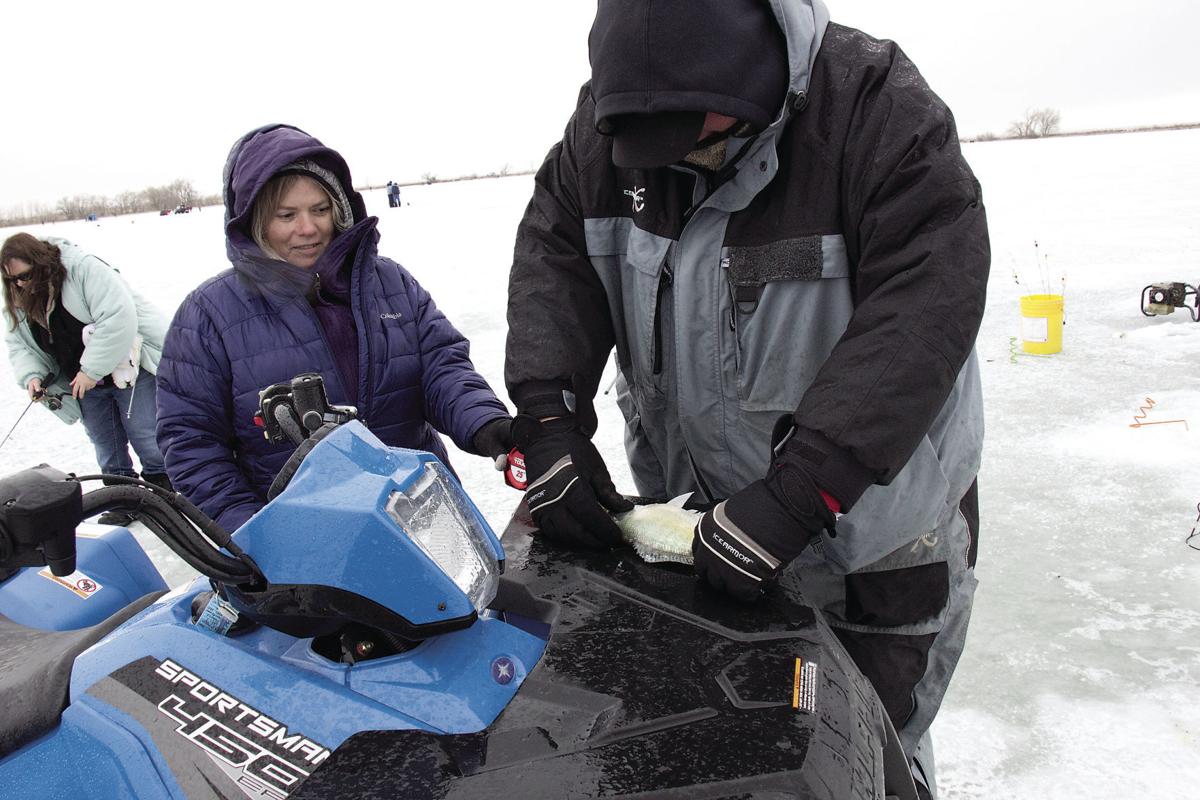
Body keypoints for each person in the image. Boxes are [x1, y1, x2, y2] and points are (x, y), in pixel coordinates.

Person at [503, 2, 988, 797]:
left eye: (700, 134)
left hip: (871, 538)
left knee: (866, 752)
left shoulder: (877, 112)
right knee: (722, 755)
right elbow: (555, 261)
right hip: (699, 527)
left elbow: (922, 311)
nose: (678, 159)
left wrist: (804, 490)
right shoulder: (611, 127)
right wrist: (549, 423)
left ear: (755, 73)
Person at [156, 124, 512, 532]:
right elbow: (192, 445)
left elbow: (441, 368)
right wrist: (256, 534)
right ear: (255, 220)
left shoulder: (391, 283)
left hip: (424, 517)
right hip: (303, 540)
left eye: (320, 210)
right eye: (286, 215)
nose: (307, 229)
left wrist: (485, 422)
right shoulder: (208, 314)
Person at [2, 233, 172, 511]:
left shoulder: (82, 269)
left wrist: (91, 370)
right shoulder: (19, 296)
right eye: (12, 279)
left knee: (146, 435)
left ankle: (165, 494)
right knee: (107, 446)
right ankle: (122, 501)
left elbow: (118, 317)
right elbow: (20, 344)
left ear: (41, 263)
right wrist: (32, 376)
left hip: (128, 368)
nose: (20, 283)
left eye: (26, 275)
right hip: (81, 383)